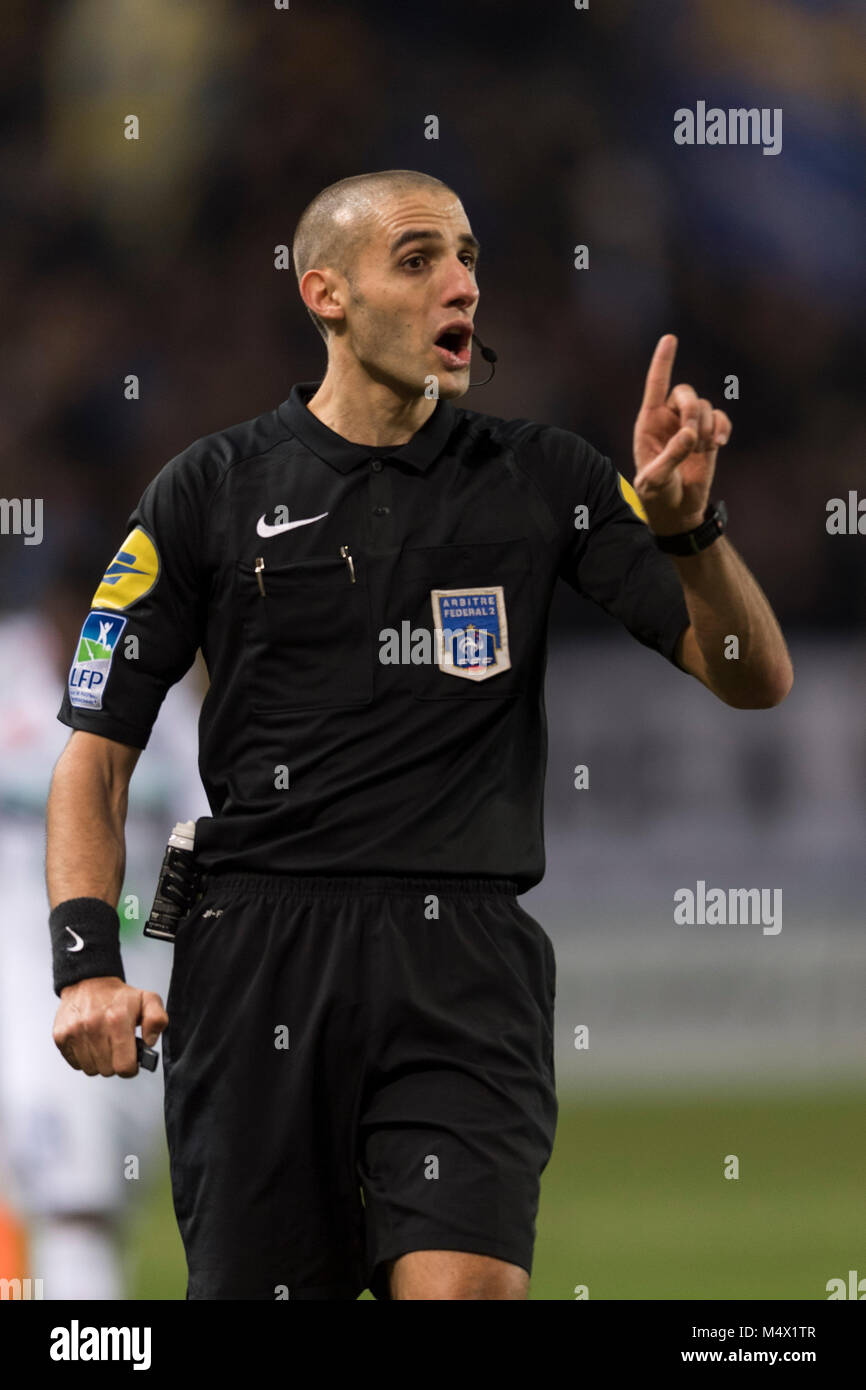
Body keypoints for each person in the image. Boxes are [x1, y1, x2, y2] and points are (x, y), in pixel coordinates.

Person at [46, 169, 793, 1301]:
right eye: (418, 260)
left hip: (463, 966)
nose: (461, 284)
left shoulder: (543, 478)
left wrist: (690, 533)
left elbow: (751, 680)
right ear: (325, 295)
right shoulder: (207, 489)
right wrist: (86, 970)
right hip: (258, 962)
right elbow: (95, 758)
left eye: (469, 257)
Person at [0, 555, 206, 1298]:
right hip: (22, 972)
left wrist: (177, 938)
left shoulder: (166, 697)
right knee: (73, 1196)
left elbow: (204, 822)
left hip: (131, 968)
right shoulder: (5, 675)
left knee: (100, 1194)